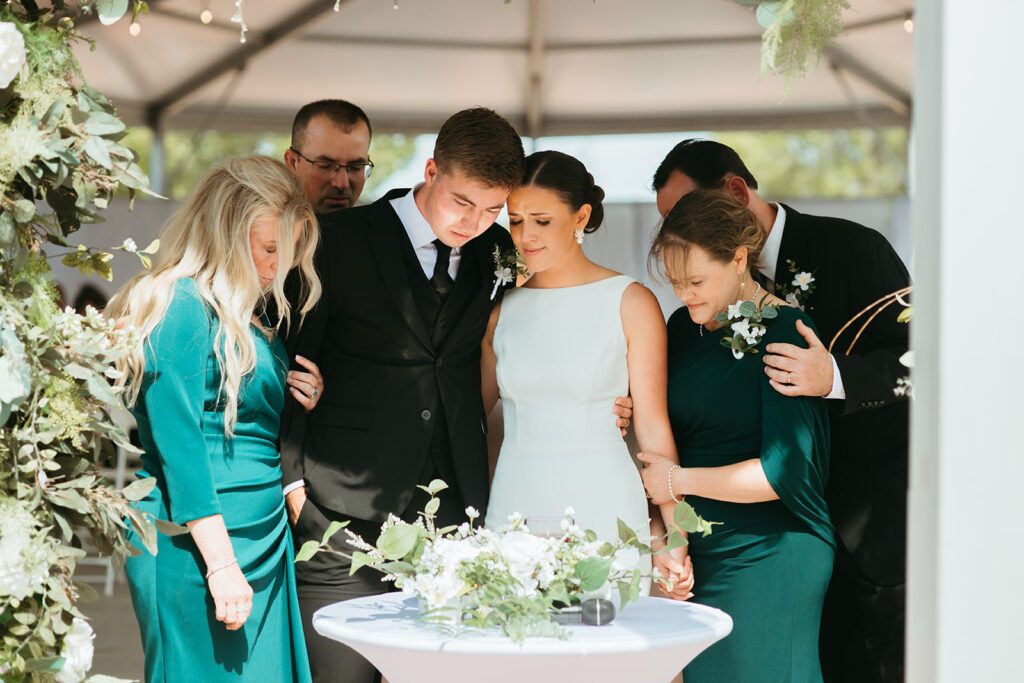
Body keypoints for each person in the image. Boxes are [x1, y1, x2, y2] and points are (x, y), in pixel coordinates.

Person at [279, 107, 524, 683]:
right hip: (338, 514)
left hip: (454, 518)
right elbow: (290, 362)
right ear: (432, 170)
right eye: (463, 202)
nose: (474, 222)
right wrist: (293, 480)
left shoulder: (498, 253)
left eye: (492, 209)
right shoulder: (336, 239)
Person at [652, 139, 910, 682]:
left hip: (853, 522)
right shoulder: (685, 324)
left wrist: (834, 376)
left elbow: (923, 361)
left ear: (734, 197)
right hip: (713, 537)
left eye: (686, 214)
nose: (679, 231)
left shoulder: (851, 249)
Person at [108, 156, 323, 682]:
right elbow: (180, 445)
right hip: (196, 538)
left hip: (264, 530)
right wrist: (222, 563)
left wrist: (301, 397)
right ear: (225, 227)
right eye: (268, 247)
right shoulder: (177, 302)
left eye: (288, 253)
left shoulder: (251, 312)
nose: (278, 267)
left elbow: (250, 417)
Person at [641, 189, 834, 681]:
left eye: (697, 280)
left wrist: (677, 482)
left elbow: (781, 474)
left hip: (770, 552)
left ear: (740, 258)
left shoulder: (787, 332)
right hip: (698, 553)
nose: (685, 295)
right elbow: (667, 423)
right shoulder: (683, 329)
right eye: (676, 282)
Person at [481, 150, 693, 597]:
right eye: (515, 220)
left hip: (604, 498)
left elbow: (654, 430)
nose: (525, 236)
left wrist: (674, 539)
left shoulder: (631, 301)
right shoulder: (500, 311)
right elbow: (470, 418)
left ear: (580, 216)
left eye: (541, 220)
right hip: (515, 498)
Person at [284, 99, 373, 214]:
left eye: (356, 167)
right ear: (292, 162)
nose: (342, 184)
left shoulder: (386, 229)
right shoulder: (263, 227)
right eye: (325, 166)